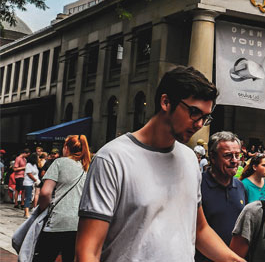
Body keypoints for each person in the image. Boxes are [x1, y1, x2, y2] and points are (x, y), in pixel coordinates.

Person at [76, 66, 243, 262]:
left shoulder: (189, 159)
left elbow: (200, 230)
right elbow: (88, 251)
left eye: (205, 117)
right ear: (166, 102)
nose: (199, 124)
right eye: (194, 112)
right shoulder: (112, 158)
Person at [33, 135, 91, 262]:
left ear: (66, 148)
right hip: (79, 224)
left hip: (58, 220)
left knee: (44, 257)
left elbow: (45, 193)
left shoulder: (60, 162)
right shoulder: (87, 167)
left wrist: (43, 209)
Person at [196, 131, 247, 262]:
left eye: (237, 155)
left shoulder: (240, 186)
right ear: (212, 157)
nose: (235, 161)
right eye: (228, 156)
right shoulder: (197, 186)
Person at [23, 153, 40, 218]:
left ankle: (26, 211)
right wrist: (36, 180)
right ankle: (27, 213)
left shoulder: (35, 165)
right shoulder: (28, 165)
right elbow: (29, 174)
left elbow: (36, 173)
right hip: (28, 183)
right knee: (28, 197)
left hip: (34, 182)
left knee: (32, 197)